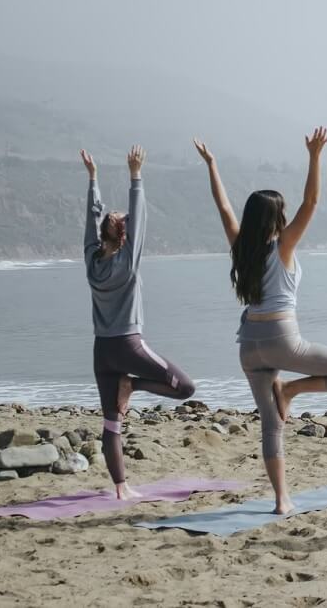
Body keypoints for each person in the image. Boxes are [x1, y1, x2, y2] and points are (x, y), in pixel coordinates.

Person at [194, 128, 327, 515]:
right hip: (282, 340)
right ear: (277, 217)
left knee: (270, 426)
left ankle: (281, 500)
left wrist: (212, 165)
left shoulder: (241, 248)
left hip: (248, 347)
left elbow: (223, 208)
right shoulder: (284, 246)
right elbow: (313, 201)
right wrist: (315, 155)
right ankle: (290, 390)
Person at [82, 145, 197, 500]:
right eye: (124, 223)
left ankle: (121, 488)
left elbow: (91, 218)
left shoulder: (91, 260)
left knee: (111, 422)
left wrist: (94, 180)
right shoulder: (128, 261)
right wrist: (135, 176)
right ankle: (133, 386)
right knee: (185, 388)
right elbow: (140, 215)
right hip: (129, 346)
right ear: (123, 234)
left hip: (102, 350)